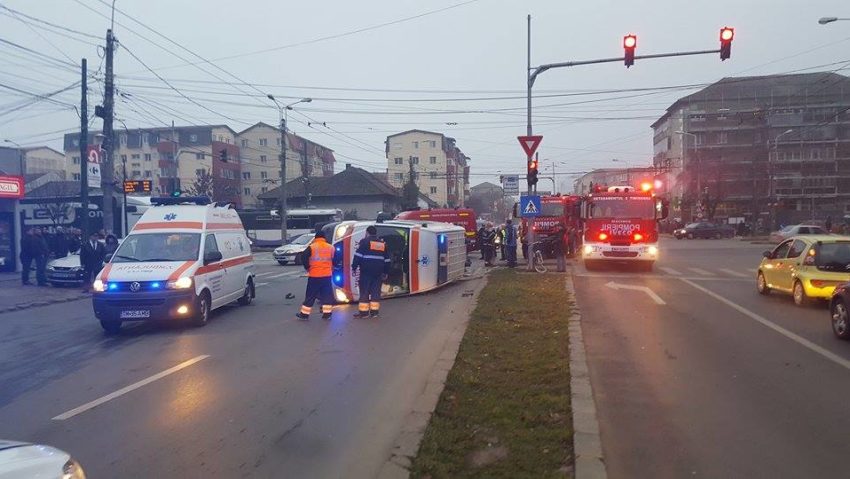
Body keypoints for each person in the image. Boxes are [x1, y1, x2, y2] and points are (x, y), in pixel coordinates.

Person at [351, 225, 390, 318]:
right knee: (375, 291)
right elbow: (387, 260)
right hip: (378, 271)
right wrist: (386, 272)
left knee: (364, 291)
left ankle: (364, 313)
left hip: (366, 271)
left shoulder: (364, 242)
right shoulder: (382, 244)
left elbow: (358, 256)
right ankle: (374, 312)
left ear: (367, 233)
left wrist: (354, 267)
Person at [297, 230, 335, 320]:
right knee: (326, 295)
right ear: (324, 238)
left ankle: (304, 315)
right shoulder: (331, 247)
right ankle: (327, 314)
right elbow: (335, 259)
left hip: (314, 275)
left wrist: (308, 267)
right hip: (327, 275)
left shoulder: (311, 247)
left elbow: (304, 257)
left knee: (310, 295)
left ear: (315, 238)